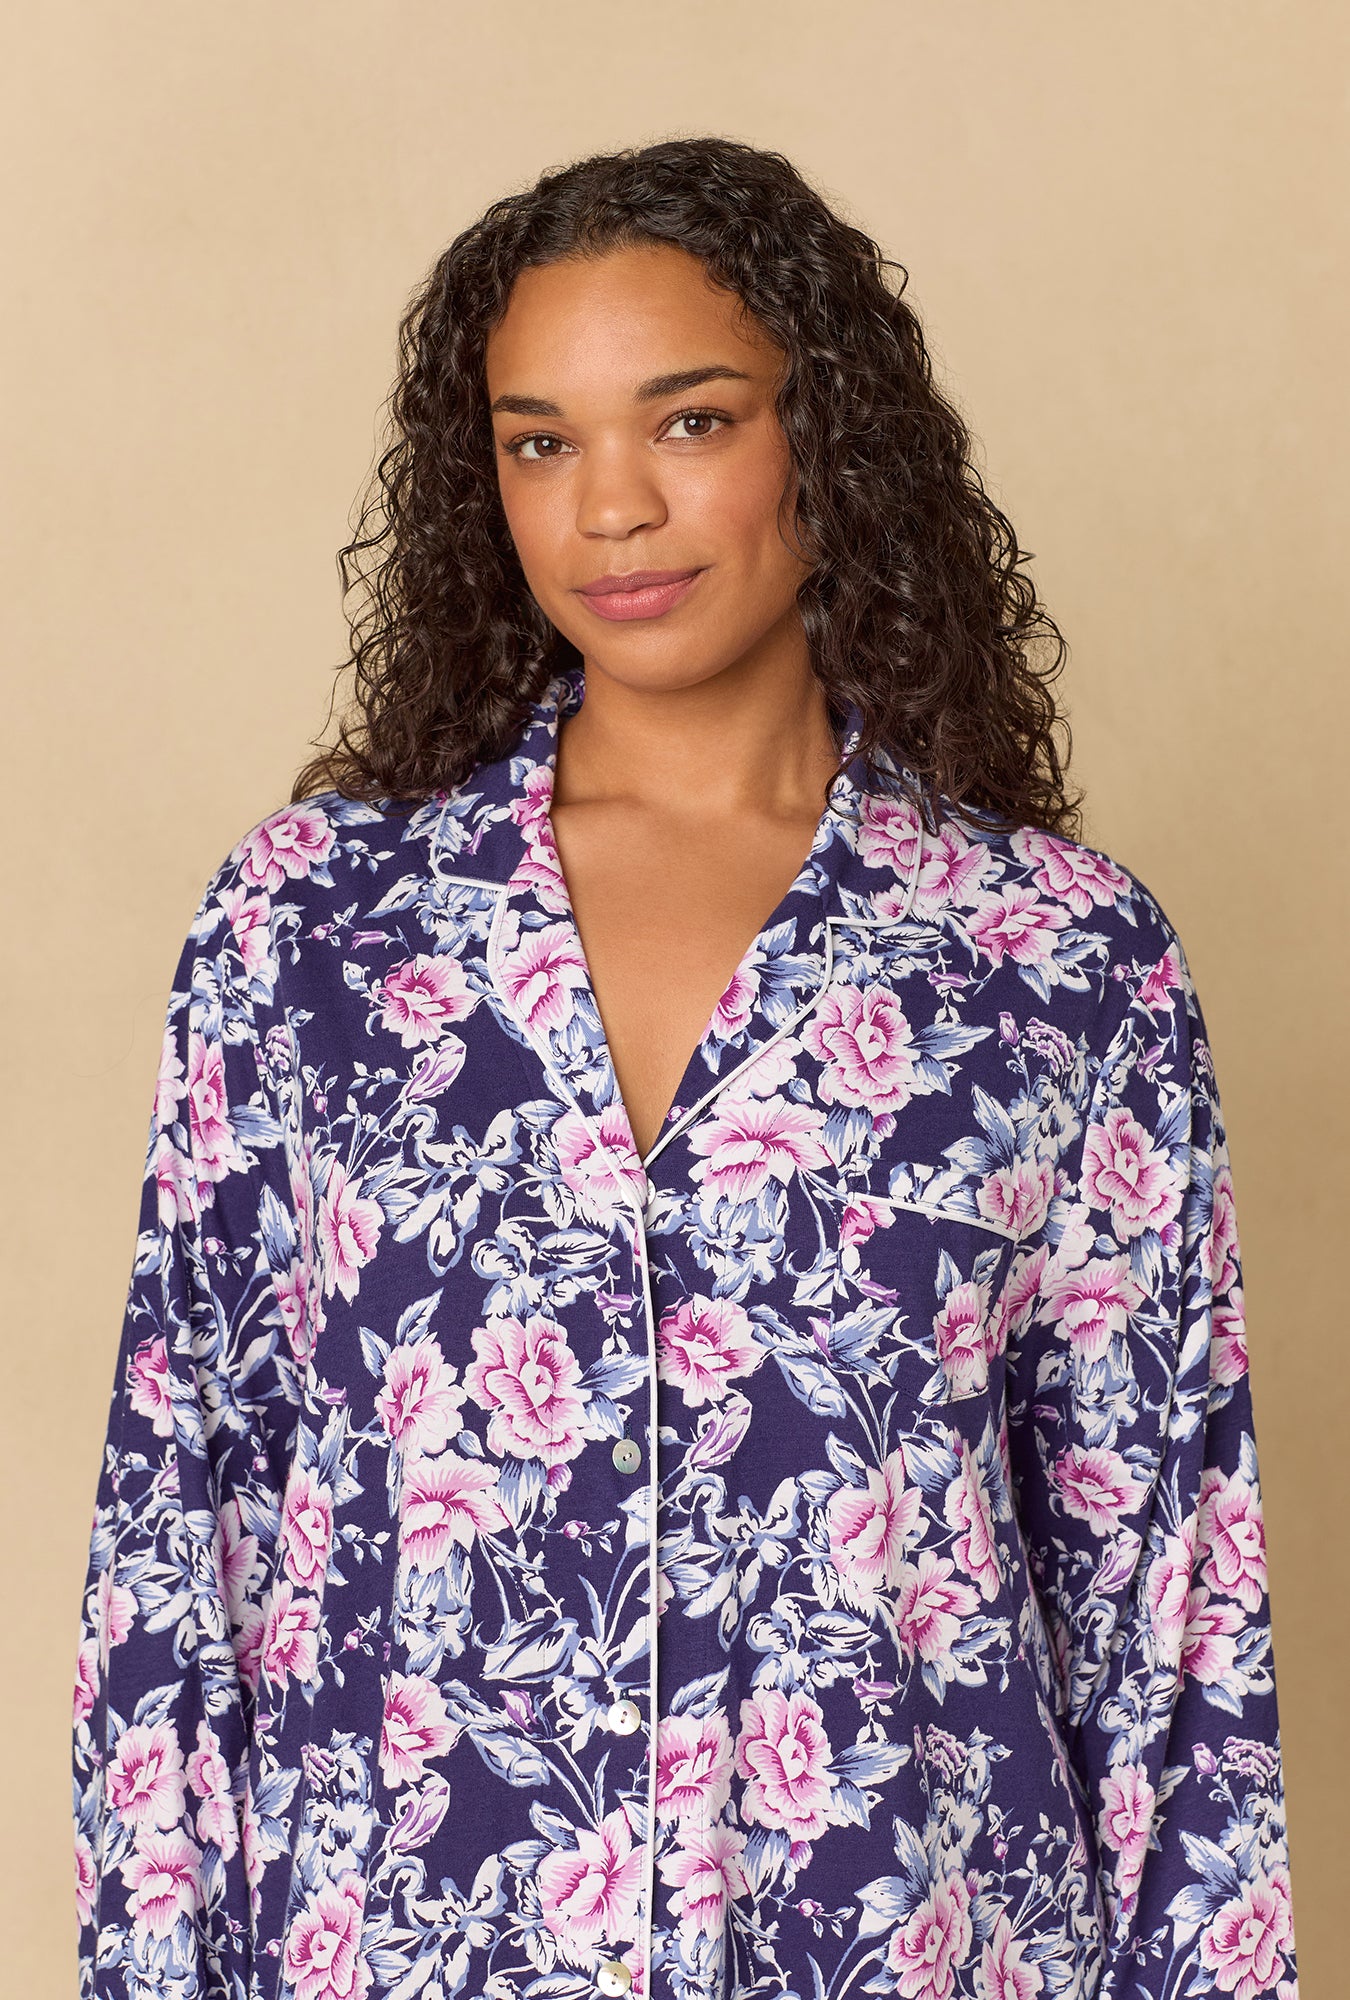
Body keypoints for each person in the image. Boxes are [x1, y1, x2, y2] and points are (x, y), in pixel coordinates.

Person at [73, 138, 1297, 2000]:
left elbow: (1172, 1618)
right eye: (537, 443)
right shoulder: (314, 934)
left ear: (831, 440)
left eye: (691, 421)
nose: (610, 509)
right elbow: (181, 1535)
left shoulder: (1054, 961)